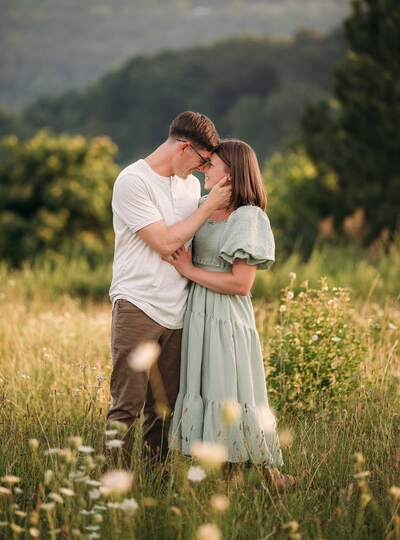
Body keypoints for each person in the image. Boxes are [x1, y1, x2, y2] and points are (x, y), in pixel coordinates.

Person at [165, 139, 295, 490]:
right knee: (208, 389)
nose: (205, 168)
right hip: (197, 314)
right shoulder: (204, 205)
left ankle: (271, 477)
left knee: (234, 392)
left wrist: (190, 272)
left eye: (213, 164)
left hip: (225, 316)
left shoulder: (247, 216)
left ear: (233, 172)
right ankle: (227, 480)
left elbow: (241, 283)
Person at [105, 111, 231, 469]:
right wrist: (208, 207)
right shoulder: (133, 181)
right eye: (203, 161)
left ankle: (153, 492)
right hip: (138, 306)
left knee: (164, 410)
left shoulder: (189, 186)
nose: (201, 170)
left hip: (179, 311)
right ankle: (111, 490)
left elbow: (190, 239)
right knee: (126, 407)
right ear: (184, 147)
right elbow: (163, 242)